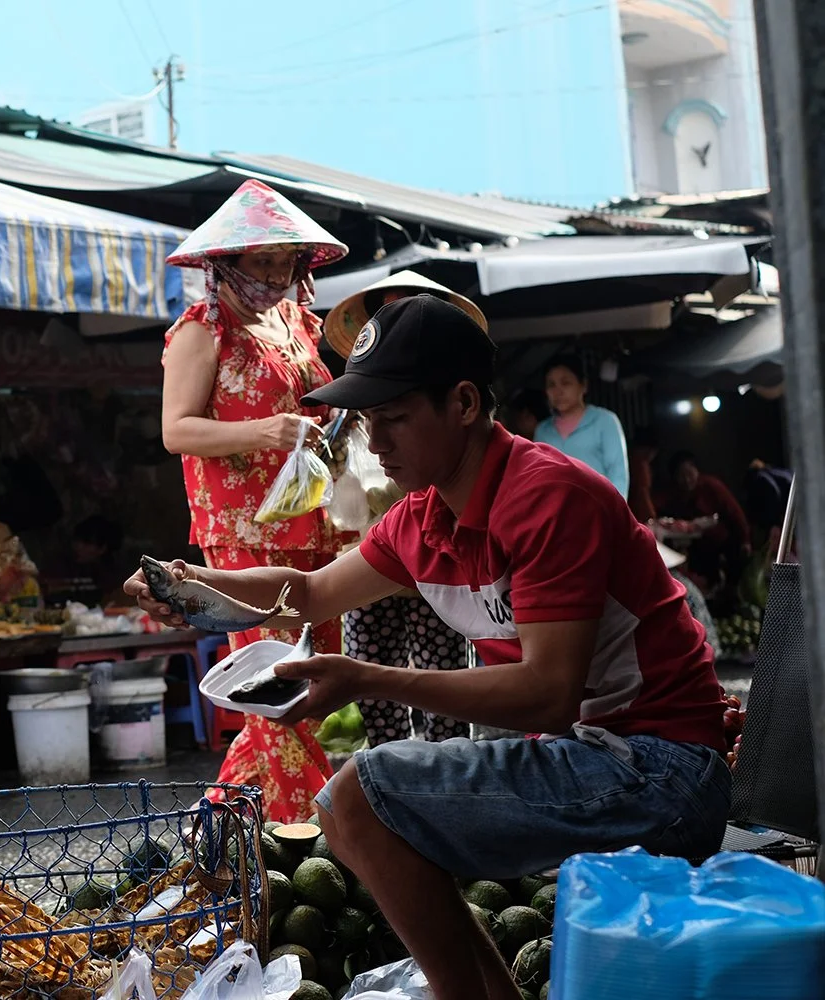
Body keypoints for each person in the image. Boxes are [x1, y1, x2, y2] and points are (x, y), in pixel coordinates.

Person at [127, 295, 729, 1000]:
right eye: (368, 421)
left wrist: (365, 677)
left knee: (358, 796)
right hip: (592, 758)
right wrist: (189, 584)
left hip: (661, 769)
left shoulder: (547, 497)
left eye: (394, 418)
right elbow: (309, 592)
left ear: (464, 403)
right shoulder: (421, 517)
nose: (375, 442)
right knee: (353, 806)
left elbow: (546, 694)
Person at [160, 178, 349, 822]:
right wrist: (265, 431)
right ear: (227, 262)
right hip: (245, 534)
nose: (273, 274)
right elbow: (176, 431)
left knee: (311, 683)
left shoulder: (298, 322)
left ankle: (218, 840)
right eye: (261, 260)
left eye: (284, 261)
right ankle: (319, 831)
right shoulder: (201, 330)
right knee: (283, 690)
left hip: (318, 526)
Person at [326, 271, 480, 746]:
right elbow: (334, 484)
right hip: (370, 561)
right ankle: (392, 773)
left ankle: (445, 772)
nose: (378, 440)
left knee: (447, 692)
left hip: (433, 565)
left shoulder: (449, 418)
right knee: (373, 695)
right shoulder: (349, 412)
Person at [534, 354, 630, 497]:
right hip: (557, 509)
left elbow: (618, 474)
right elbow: (539, 477)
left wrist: (615, 509)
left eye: (566, 383)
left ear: (583, 386)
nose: (558, 391)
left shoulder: (604, 421)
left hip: (598, 507)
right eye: (551, 385)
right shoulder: (542, 431)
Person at [661, 451, 751, 599]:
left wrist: (745, 539)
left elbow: (735, 512)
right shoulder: (676, 495)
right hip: (699, 546)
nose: (687, 480)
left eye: (689, 474)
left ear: (697, 471)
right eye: (681, 476)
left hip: (724, 541)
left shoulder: (711, 486)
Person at [628, 428, 659, 524]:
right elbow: (643, 495)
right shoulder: (640, 465)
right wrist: (651, 518)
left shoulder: (629, 461)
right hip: (637, 519)